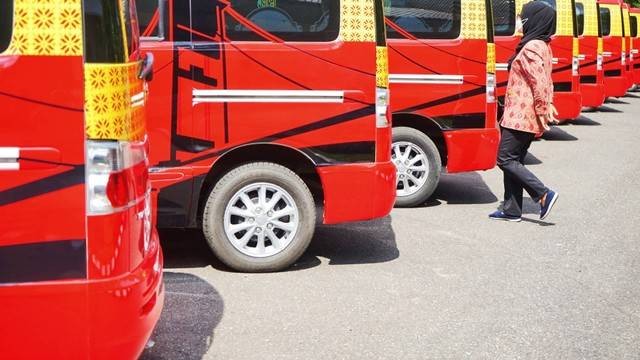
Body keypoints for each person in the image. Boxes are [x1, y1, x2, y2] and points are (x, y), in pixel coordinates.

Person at [490, 1, 559, 222]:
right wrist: (548, 104)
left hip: (521, 116)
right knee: (515, 160)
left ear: (535, 19)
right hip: (522, 115)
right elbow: (547, 81)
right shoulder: (542, 45)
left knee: (505, 159)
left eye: (523, 17)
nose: (520, 21)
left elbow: (539, 82)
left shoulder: (532, 47)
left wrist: (543, 108)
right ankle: (512, 210)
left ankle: (543, 193)